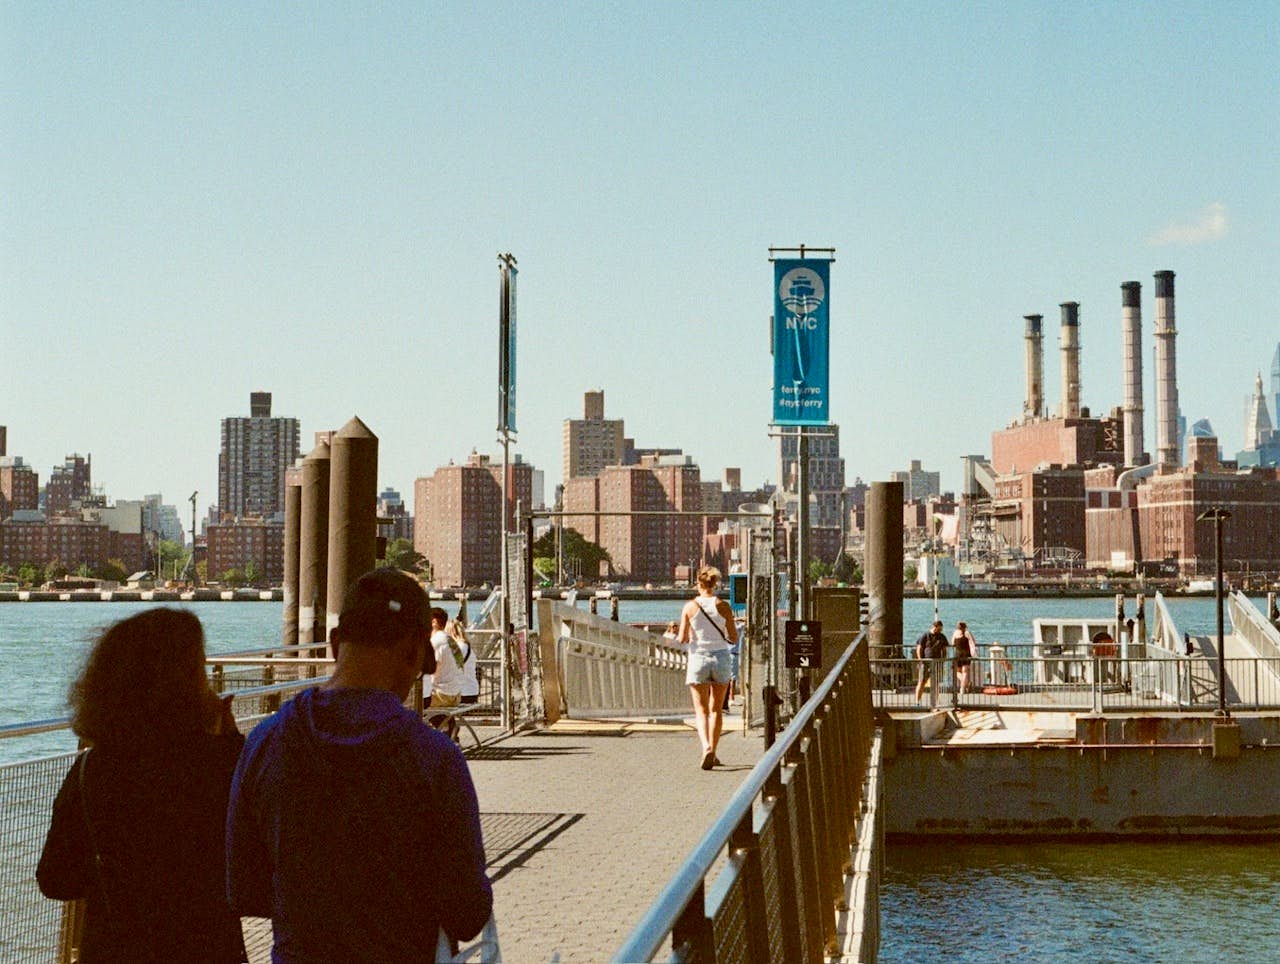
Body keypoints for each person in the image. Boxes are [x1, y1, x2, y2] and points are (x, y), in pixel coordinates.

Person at [226, 568, 492, 961]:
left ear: (334, 644)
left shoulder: (266, 742)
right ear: (417, 654)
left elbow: (244, 889)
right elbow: (468, 913)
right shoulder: (435, 758)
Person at [37, 609, 247, 962]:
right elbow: (255, 874)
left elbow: (56, 879)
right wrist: (233, 744)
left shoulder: (93, 771)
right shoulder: (222, 766)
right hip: (206, 950)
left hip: (113, 952)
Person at [677, 565, 738, 770]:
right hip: (721, 657)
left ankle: (706, 748)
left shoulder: (690, 607)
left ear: (698, 584)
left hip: (698, 658)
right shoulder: (723, 606)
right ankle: (714, 749)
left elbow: (682, 638)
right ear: (715, 584)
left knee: (701, 710)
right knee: (716, 709)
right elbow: (733, 637)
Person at [913, 619, 949, 702]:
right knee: (922, 681)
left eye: (941, 629)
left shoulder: (942, 636)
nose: (940, 631)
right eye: (939, 629)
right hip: (925, 662)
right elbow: (919, 648)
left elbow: (944, 649)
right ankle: (917, 701)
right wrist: (920, 660)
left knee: (936, 683)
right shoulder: (925, 635)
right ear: (934, 627)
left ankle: (934, 702)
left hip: (937, 663)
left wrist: (943, 659)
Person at [450, 618, 480, 706]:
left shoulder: (458, 648)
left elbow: (450, 667)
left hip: (463, 692)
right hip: (471, 690)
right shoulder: (466, 646)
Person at [952, 621, 977, 694]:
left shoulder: (955, 633)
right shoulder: (967, 633)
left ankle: (965, 683)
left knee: (957, 672)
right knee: (965, 672)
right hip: (966, 654)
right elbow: (973, 642)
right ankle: (962, 689)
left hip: (958, 654)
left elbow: (952, 642)